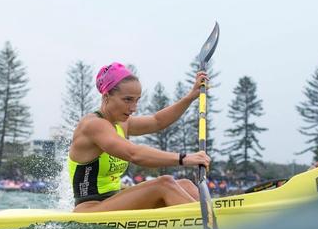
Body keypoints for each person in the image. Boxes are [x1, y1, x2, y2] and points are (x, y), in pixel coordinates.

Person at [68, 62, 211, 212]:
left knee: (186, 184)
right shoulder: (93, 125)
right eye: (127, 99)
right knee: (164, 184)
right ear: (106, 96)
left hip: (113, 198)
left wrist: (190, 97)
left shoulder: (122, 123)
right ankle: (208, 222)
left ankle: (212, 214)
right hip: (90, 208)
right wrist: (184, 158)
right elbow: (134, 154)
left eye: (137, 100)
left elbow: (157, 121)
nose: (133, 108)